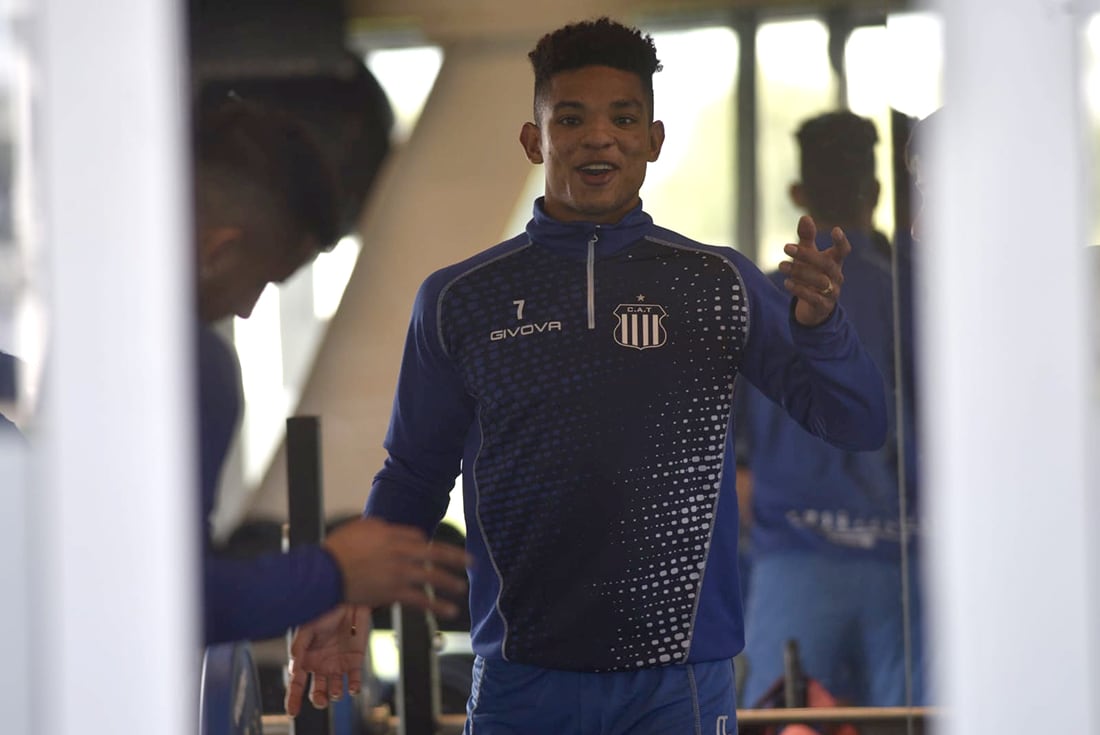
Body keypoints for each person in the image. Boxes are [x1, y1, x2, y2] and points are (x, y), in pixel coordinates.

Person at [285, 18, 888, 733]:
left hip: (679, 681)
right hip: (521, 679)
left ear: (653, 140)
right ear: (534, 140)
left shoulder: (718, 280)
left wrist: (822, 330)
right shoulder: (460, 299)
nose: (598, 137)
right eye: (570, 118)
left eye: (623, 118)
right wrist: (348, 589)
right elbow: (415, 473)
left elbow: (856, 421)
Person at [193, 97, 469, 647]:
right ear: (220, 251)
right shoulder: (194, 369)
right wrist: (333, 574)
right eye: (263, 281)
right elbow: (157, 602)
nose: (246, 309)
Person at [736, 111, 922, 709]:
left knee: (784, 720)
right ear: (875, 193)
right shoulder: (920, 298)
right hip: (910, 568)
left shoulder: (760, 299)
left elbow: (733, 476)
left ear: (797, 195)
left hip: (795, 564)